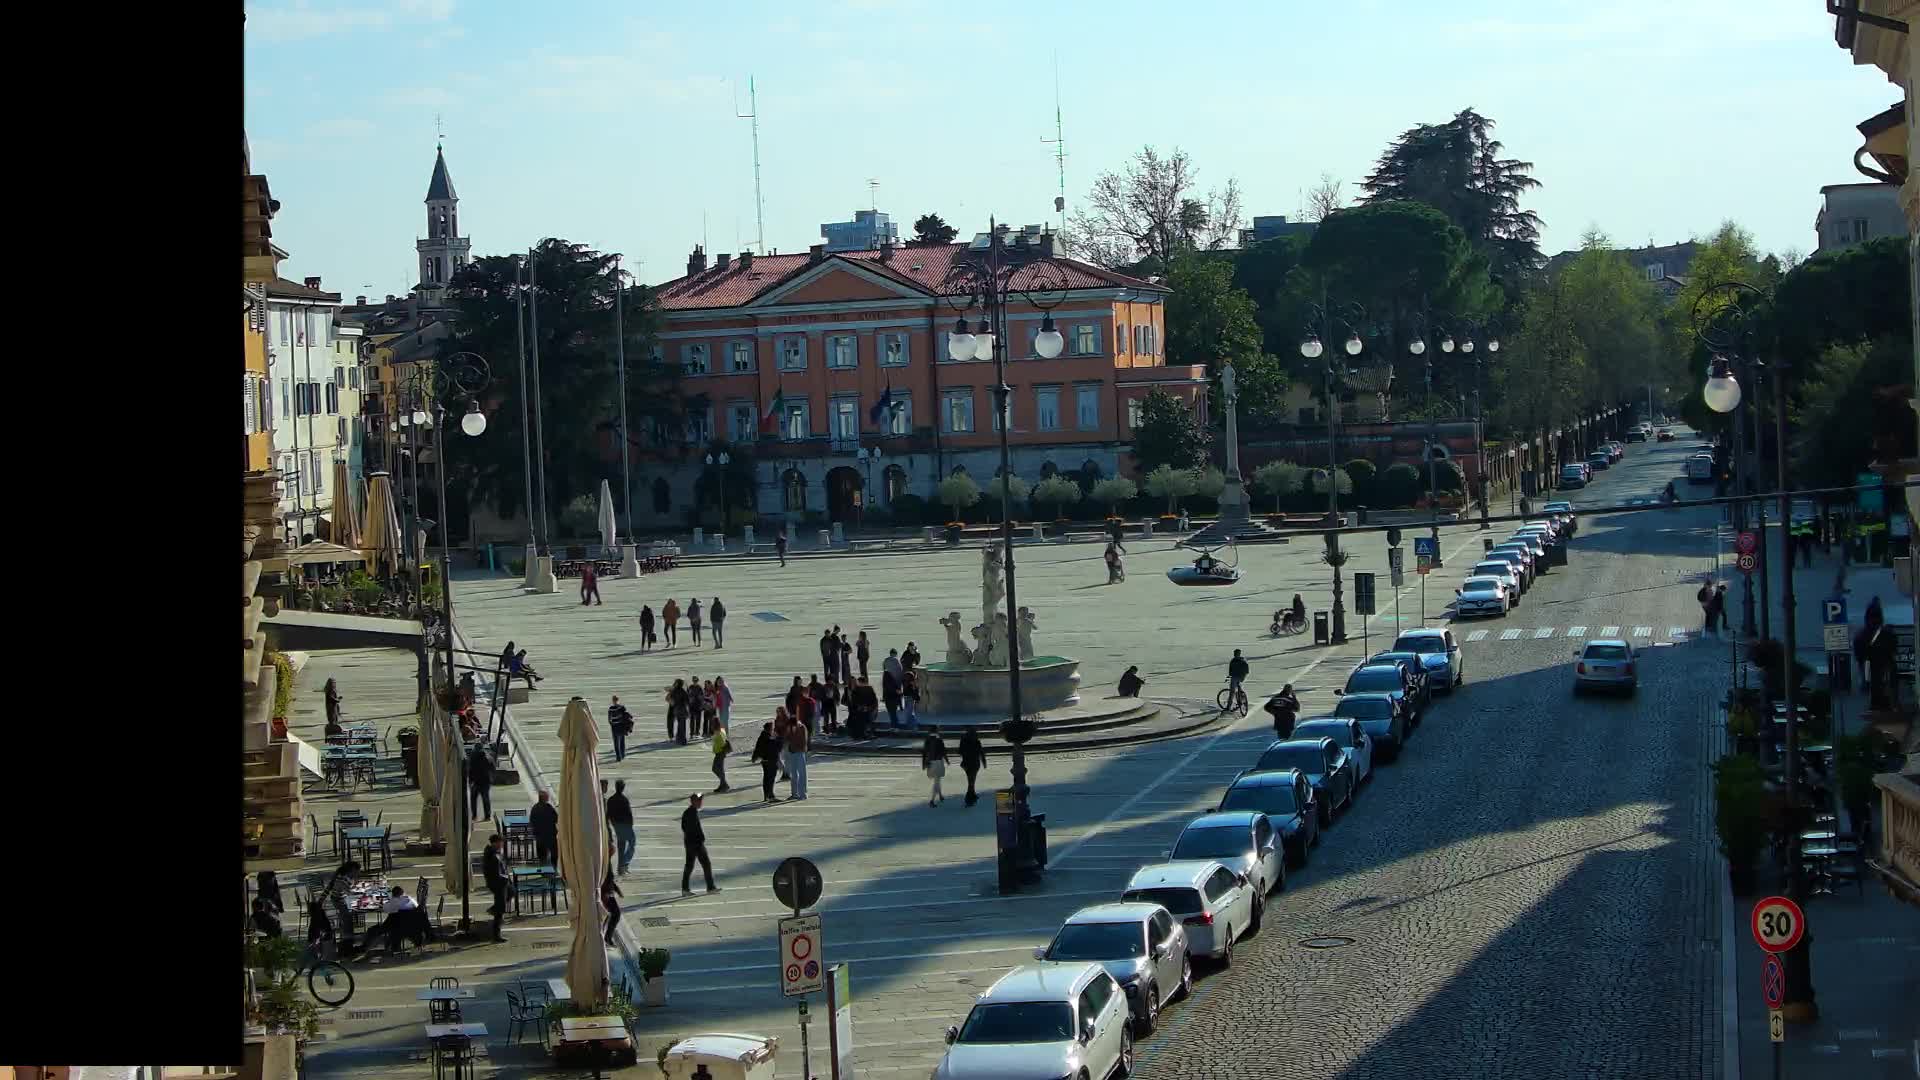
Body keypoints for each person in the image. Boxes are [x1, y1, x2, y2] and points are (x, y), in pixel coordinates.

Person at [681, 793, 719, 895]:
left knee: (689, 865)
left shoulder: (688, 812)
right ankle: (710, 887)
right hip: (696, 843)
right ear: (694, 801)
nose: (701, 802)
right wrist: (700, 839)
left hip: (689, 843)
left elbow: (683, 827)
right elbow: (693, 829)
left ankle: (685, 889)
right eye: (699, 800)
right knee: (706, 864)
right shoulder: (691, 814)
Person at [482, 835, 509, 942]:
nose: (502, 844)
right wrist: (504, 879)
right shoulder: (492, 855)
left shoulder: (496, 852)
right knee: (500, 909)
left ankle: (494, 909)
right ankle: (496, 935)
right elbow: (494, 873)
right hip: (497, 884)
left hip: (501, 882)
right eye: (500, 842)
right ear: (495, 843)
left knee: (511, 892)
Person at [380, 885, 423, 953]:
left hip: (398, 928)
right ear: (402, 893)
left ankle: (393, 946)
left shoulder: (393, 903)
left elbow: (385, 909)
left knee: (391, 923)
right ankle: (393, 945)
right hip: (413, 926)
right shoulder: (410, 900)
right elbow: (417, 907)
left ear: (393, 894)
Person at [607, 779, 636, 875]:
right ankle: (624, 863)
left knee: (621, 845)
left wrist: (611, 823)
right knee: (632, 842)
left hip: (616, 825)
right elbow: (629, 813)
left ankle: (620, 868)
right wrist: (631, 824)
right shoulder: (624, 800)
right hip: (625, 825)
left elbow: (608, 814)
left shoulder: (611, 800)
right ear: (623, 788)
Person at [752, 721, 782, 803]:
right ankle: (771, 796)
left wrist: (754, 757)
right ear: (770, 729)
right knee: (771, 779)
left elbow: (757, 748)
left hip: (764, 761)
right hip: (770, 761)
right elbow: (777, 748)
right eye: (772, 728)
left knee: (766, 779)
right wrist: (778, 738)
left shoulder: (762, 736)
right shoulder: (770, 739)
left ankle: (766, 796)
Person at [783, 711, 811, 799]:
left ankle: (803, 793)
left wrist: (796, 746)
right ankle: (794, 793)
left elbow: (804, 741)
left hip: (799, 752)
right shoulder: (790, 727)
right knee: (794, 773)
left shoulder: (802, 727)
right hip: (793, 751)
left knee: (802, 773)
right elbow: (787, 738)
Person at [922, 725, 950, 807]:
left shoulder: (927, 740)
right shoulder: (939, 740)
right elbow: (944, 751)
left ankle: (940, 795)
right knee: (937, 781)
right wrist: (947, 760)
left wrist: (923, 764)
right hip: (938, 762)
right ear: (937, 731)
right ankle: (932, 800)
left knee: (937, 780)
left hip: (930, 762)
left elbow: (924, 753)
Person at [530, 789, 559, 866]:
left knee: (542, 856)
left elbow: (532, 821)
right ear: (544, 798)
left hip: (539, 836)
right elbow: (556, 818)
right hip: (550, 836)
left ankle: (543, 871)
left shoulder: (534, 808)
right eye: (547, 796)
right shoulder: (548, 807)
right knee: (554, 854)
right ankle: (553, 869)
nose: (548, 798)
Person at [958, 727, 986, 807]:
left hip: (967, 763)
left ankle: (972, 796)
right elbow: (981, 753)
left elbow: (960, 752)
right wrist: (984, 762)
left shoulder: (963, 741)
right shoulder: (976, 741)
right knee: (972, 781)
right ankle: (969, 798)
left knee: (970, 781)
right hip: (975, 763)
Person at [467, 741, 494, 820]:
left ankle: (474, 815)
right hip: (485, 781)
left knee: (473, 799)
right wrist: (491, 777)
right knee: (485, 799)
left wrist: (470, 780)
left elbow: (470, 770)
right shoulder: (487, 756)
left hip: (475, 781)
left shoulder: (472, 756)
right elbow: (492, 767)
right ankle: (487, 816)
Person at [601, 854, 624, 945]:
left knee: (611, 915)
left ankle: (606, 937)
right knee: (612, 915)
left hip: (607, 891)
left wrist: (616, 889)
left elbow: (609, 877)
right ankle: (605, 938)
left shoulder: (605, 857)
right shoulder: (601, 856)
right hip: (604, 892)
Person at [607, 696, 634, 762]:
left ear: (613, 701)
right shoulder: (622, 707)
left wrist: (612, 724)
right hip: (621, 726)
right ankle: (622, 754)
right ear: (618, 700)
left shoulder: (611, 708)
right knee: (622, 741)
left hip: (614, 727)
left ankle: (618, 757)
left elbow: (609, 719)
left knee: (616, 742)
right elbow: (627, 715)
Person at [710, 722, 732, 792]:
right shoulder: (722, 730)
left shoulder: (718, 734)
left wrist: (718, 748)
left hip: (720, 753)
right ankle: (723, 784)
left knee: (716, 769)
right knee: (719, 769)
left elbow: (722, 743)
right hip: (720, 753)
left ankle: (724, 784)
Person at [667, 679, 690, 744]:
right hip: (682, 710)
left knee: (679, 724)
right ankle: (682, 740)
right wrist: (688, 711)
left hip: (676, 710)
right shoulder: (683, 691)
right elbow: (687, 702)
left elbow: (668, 698)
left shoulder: (674, 691)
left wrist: (673, 703)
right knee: (682, 725)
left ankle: (678, 738)